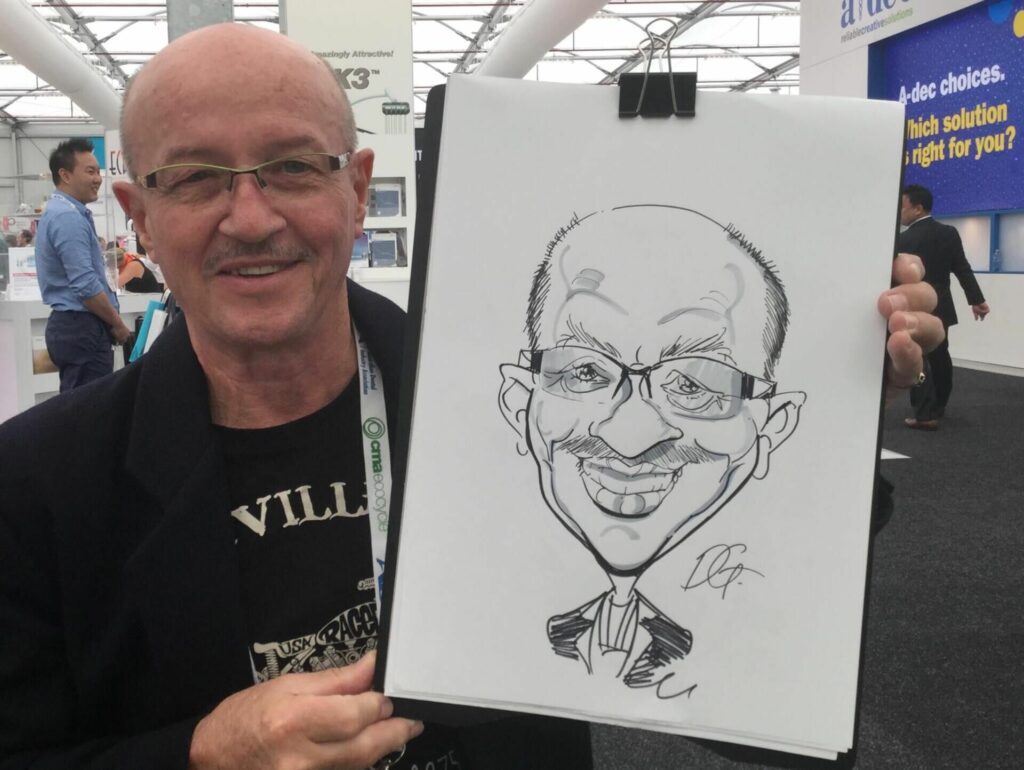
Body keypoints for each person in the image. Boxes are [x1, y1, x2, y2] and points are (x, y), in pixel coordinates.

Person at [0, 23, 943, 770]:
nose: (251, 218)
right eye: (197, 178)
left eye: (292, 166)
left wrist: (838, 400)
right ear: (141, 216)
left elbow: (750, 691)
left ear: (356, 190)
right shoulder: (38, 484)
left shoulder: (503, 410)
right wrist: (201, 754)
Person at [499, 206, 807, 696]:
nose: (630, 437)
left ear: (770, 425)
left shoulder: (767, 641)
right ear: (521, 404)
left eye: (694, 382)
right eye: (584, 372)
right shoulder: (482, 619)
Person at [34, 138, 132, 391]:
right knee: (88, 408)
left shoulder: (63, 212)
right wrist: (117, 324)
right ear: (65, 175)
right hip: (81, 326)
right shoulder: (67, 217)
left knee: (81, 404)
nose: (98, 179)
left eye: (98, 172)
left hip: (76, 326)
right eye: (90, 172)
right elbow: (85, 285)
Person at [899, 184, 989, 430]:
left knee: (919, 360)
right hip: (942, 307)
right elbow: (962, 268)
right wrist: (977, 300)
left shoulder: (903, 240)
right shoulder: (949, 233)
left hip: (914, 307)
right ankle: (939, 405)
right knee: (940, 356)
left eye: (902, 206)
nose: (900, 212)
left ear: (918, 208)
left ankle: (925, 414)